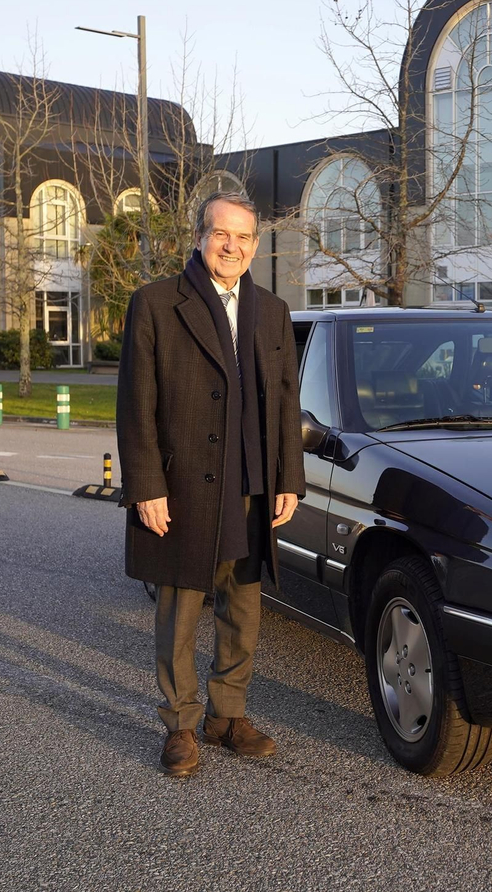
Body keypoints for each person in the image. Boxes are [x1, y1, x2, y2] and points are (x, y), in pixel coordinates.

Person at [117, 190, 305, 777]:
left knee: (243, 608)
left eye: (245, 237)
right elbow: (136, 403)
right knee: (181, 609)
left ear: (255, 245)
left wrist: (288, 479)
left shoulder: (271, 312)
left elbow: (284, 401)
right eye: (223, 234)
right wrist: (146, 486)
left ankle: (228, 716)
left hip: (252, 484)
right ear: (200, 238)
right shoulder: (155, 304)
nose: (233, 246)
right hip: (183, 487)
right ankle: (180, 724)